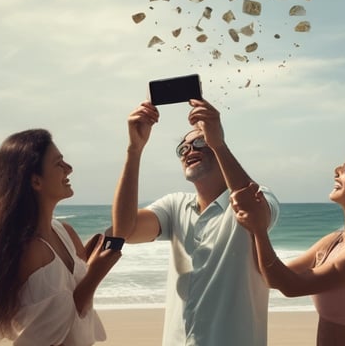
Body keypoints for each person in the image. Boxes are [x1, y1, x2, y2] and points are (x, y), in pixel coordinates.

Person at [112, 98, 280, 346]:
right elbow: (125, 230)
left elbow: (253, 209)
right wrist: (134, 150)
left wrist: (218, 143)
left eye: (199, 143)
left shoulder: (258, 197)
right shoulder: (175, 205)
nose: (189, 151)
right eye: (182, 149)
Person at [232, 138, 345, 346]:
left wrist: (259, 228)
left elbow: (289, 285)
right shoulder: (335, 241)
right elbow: (268, 274)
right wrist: (251, 223)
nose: (336, 171)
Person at [0, 129, 122, 346]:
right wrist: (95, 275)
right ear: (36, 181)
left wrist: (90, 266)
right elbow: (57, 330)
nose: (69, 169)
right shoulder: (30, 250)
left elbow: (74, 298)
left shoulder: (65, 232)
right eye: (59, 163)